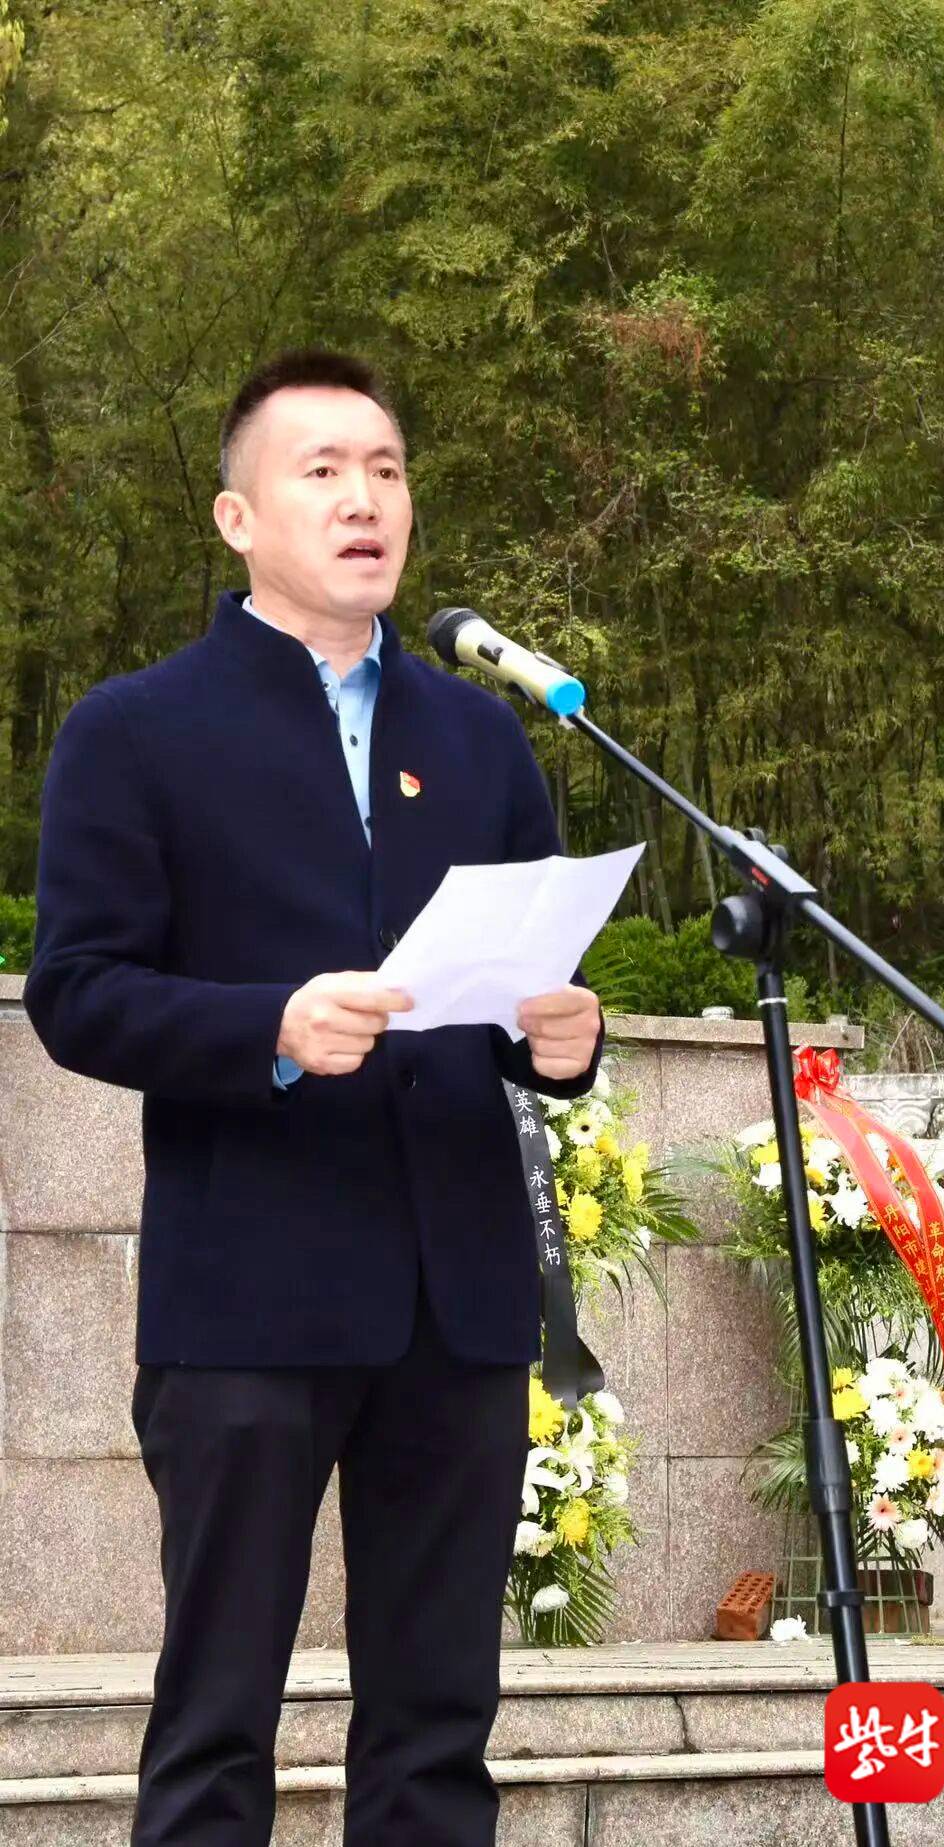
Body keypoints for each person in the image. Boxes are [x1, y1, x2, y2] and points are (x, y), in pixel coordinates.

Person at [23, 348, 605, 1846]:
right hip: (248, 1295)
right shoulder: (134, 729)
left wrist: (558, 1039)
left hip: (455, 1298)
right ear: (238, 517)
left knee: (437, 1732)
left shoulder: (479, 735)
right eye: (324, 470)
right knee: (217, 1720)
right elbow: (76, 991)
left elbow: (509, 987)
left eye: (387, 470)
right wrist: (270, 1027)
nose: (365, 500)